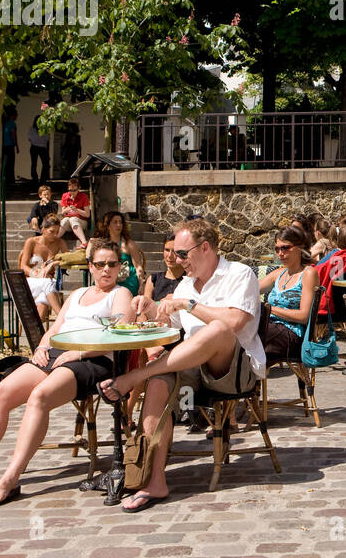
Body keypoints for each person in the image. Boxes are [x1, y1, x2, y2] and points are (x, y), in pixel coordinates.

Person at [0, 238, 134, 506]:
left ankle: (11, 477)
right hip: (57, 353)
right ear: (90, 266)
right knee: (1, 392)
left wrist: (80, 353)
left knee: (40, 396)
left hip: (92, 360)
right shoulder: (77, 294)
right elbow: (55, 329)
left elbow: (118, 333)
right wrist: (41, 346)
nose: (106, 269)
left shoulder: (120, 294)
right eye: (100, 264)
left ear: (120, 266)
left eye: (112, 264)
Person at [97, 218, 266, 512]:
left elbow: (236, 322)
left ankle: (137, 375)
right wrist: (151, 309)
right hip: (191, 367)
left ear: (205, 248)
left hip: (230, 370)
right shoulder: (186, 284)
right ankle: (153, 480)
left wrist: (188, 305)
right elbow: (171, 325)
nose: (177, 260)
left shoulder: (239, 274)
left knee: (217, 330)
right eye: (174, 253)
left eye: (182, 254)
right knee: (159, 384)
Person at [258, 225, 320, 362]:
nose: (280, 253)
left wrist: (269, 309)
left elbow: (304, 316)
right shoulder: (278, 274)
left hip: (292, 334)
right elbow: (249, 290)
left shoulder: (308, 273)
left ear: (300, 247)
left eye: (285, 248)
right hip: (270, 329)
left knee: (247, 334)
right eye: (277, 249)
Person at [18, 216, 68, 321]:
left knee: (43, 302)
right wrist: (36, 274)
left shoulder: (59, 242)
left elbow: (69, 258)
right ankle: (62, 318)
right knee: (47, 284)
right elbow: (23, 266)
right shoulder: (31, 242)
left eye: (57, 231)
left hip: (48, 283)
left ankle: (37, 335)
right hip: (31, 282)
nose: (55, 235)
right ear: (43, 230)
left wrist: (53, 263)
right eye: (52, 231)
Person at [95, 210, 145, 296]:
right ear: (108, 225)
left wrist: (141, 284)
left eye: (120, 222)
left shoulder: (129, 244)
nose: (119, 225)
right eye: (115, 222)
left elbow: (138, 266)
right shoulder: (102, 244)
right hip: (107, 279)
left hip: (127, 281)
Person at [143, 233, 185, 302]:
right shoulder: (153, 280)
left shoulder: (189, 280)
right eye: (167, 250)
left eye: (174, 251)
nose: (170, 255)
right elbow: (145, 310)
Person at [58, 177, 90, 245]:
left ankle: (84, 242)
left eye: (74, 190)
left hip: (81, 221)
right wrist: (68, 209)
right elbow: (63, 212)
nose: (72, 192)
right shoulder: (65, 196)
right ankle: (55, 239)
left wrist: (77, 210)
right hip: (68, 220)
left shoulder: (84, 196)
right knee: (65, 220)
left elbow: (87, 214)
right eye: (70, 190)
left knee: (73, 219)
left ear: (79, 188)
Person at [28, 119, 50, 184]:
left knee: (34, 164)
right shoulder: (43, 129)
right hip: (41, 147)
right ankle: (41, 179)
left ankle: (36, 178)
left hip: (35, 147)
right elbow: (47, 139)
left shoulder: (32, 129)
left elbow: (29, 138)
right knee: (44, 164)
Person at [2, 107, 18, 188]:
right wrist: (16, 145)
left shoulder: (5, 123)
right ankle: (10, 180)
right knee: (11, 163)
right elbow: (13, 134)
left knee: (5, 163)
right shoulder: (12, 123)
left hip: (4, 146)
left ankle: (5, 179)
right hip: (10, 145)